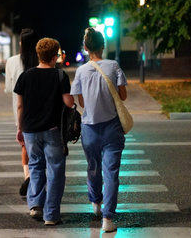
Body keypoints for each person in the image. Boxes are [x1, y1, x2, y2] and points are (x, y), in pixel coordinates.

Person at [70, 27, 128, 232]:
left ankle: (95, 203)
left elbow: (82, 102)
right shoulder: (114, 66)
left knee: (93, 168)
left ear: (86, 48)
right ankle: (108, 219)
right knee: (111, 172)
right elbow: (123, 96)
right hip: (112, 127)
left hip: (90, 129)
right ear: (103, 46)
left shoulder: (81, 71)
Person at [14, 38, 74, 226]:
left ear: (38, 54)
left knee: (36, 166)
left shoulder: (25, 76)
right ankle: (51, 215)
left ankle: (35, 205)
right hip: (52, 130)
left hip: (30, 131)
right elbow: (69, 103)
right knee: (56, 170)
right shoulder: (60, 76)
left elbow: (20, 106)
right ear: (55, 56)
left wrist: (19, 128)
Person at [4, 28, 40, 196]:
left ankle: (27, 176)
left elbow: (9, 88)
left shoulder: (12, 61)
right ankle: (37, 176)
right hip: (41, 109)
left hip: (21, 111)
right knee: (41, 146)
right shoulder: (41, 60)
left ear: (22, 43)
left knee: (25, 146)